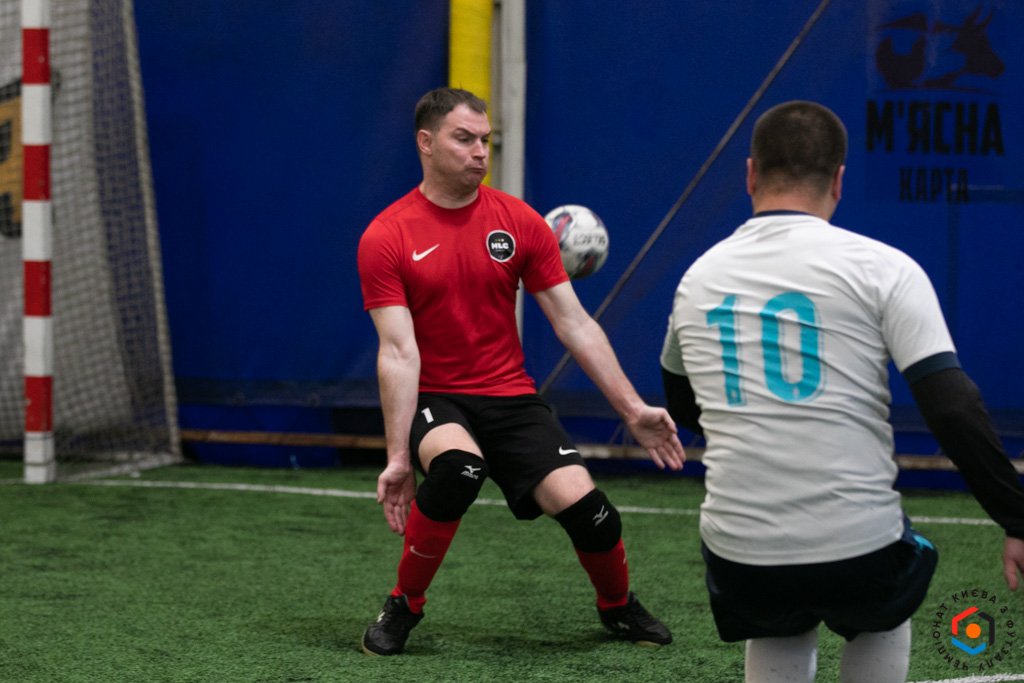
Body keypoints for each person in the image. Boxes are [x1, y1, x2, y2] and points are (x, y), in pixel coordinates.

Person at [659, 100, 1024, 683]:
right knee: (886, 596)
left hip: (739, 554)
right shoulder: (885, 268)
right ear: (839, 180)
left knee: (774, 614)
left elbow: (683, 404)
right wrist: (1016, 517)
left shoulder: (696, 279)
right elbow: (953, 407)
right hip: (858, 549)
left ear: (750, 174)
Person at [357, 86, 686, 657]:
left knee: (594, 514)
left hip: (510, 396)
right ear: (426, 143)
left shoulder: (520, 222)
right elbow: (399, 353)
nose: (480, 152)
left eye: (485, 140)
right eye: (464, 139)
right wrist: (399, 458)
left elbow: (574, 324)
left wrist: (633, 410)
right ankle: (404, 604)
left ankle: (616, 606)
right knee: (458, 470)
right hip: (437, 396)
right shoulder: (387, 235)